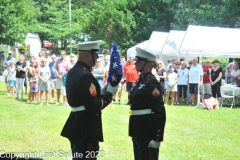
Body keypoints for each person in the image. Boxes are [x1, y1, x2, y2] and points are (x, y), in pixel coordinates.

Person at [61, 40, 118, 160]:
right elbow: (94, 106)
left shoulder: (74, 71)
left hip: (78, 123)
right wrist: (109, 94)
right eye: (95, 55)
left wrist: (103, 91)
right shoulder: (85, 74)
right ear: (87, 55)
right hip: (86, 127)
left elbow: (85, 96)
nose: (97, 58)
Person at [129, 47, 166, 160]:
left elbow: (159, 110)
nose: (136, 63)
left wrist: (157, 137)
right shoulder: (141, 80)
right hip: (138, 129)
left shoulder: (152, 82)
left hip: (147, 130)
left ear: (148, 64)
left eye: (139, 61)